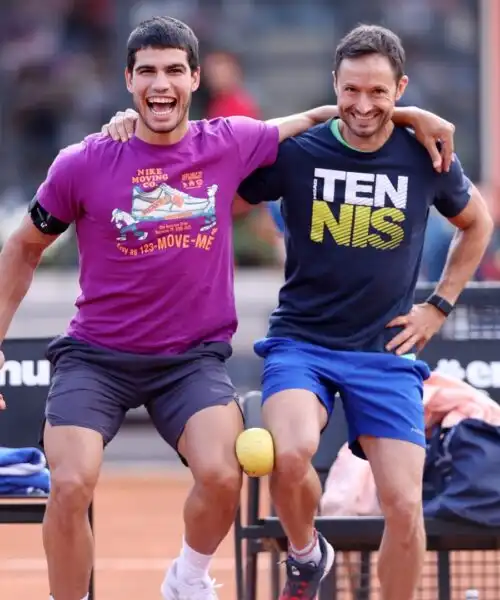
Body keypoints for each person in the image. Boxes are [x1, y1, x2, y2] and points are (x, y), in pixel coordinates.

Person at [38, 20, 454, 600]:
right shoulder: (86, 160)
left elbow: (330, 117)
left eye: (174, 70)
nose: (162, 84)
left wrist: (411, 117)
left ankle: (188, 578)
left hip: (195, 359)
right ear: (128, 79)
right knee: (72, 483)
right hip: (99, 355)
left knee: (226, 474)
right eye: (149, 72)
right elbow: (20, 249)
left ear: (195, 78)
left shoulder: (229, 140)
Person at [234, 25, 494, 600]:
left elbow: (477, 223)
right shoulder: (299, 153)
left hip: (385, 352)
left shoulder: (425, 154)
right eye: (351, 90)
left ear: (400, 88)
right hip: (301, 343)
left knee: (405, 506)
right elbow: (222, 197)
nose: (363, 105)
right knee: (293, 450)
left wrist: (439, 306)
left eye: (379, 92)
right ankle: (306, 557)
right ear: (334, 86)